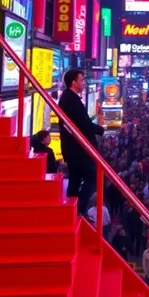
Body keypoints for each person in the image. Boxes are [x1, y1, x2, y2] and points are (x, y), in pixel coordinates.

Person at [58, 69, 105, 215]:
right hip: (79, 149)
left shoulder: (69, 98)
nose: (84, 83)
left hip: (74, 149)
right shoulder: (71, 100)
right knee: (93, 176)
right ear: (74, 83)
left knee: (75, 180)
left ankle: (71, 211)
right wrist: (100, 129)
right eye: (82, 80)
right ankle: (79, 210)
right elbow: (82, 124)